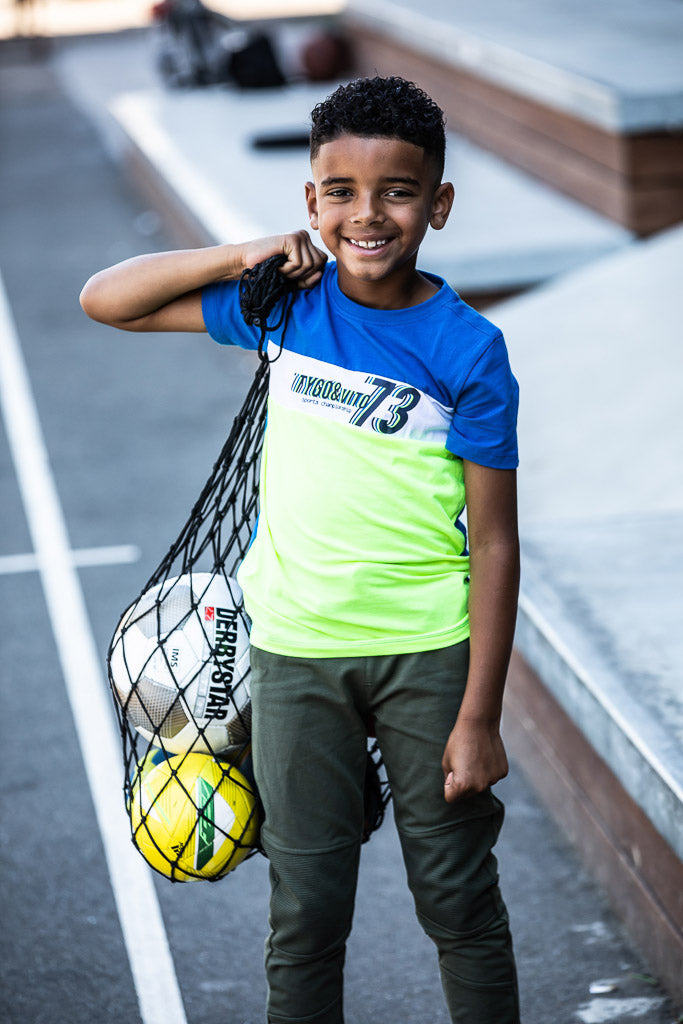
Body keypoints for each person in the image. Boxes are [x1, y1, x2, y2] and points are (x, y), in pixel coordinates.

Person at [80, 75, 521, 1024]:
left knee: (456, 901)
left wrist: (479, 714)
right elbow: (105, 299)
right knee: (306, 915)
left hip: (427, 655)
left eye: (398, 191)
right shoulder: (287, 308)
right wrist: (244, 252)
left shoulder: (468, 349)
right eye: (340, 191)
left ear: (437, 204)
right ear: (311, 201)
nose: (367, 215)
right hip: (292, 655)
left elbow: (492, 541)